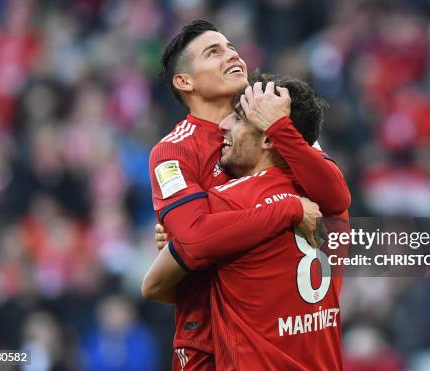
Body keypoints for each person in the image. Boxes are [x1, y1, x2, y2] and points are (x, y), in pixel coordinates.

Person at [145, 20, 350, 370]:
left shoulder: (269, 118)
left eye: (230, 47)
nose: (232, 55)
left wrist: (279, 128)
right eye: (214, 52)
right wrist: (286, 208)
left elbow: (336, 197)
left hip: (279, 327)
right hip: (205, 342)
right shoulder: (173, 152)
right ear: (185, 81)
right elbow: (188, 246)